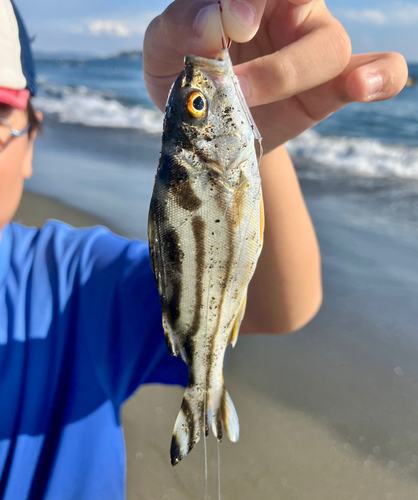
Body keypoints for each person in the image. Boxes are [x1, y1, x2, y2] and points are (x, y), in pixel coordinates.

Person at [0, 0, 407, 498]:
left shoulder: (77, 284)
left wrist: (263, 141)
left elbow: (282, 307)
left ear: (33, 138)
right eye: (199, 106)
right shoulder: (66, 289)